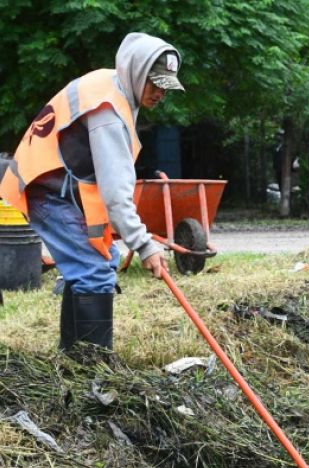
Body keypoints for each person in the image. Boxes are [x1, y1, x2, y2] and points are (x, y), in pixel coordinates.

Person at [0, 33, 178, 355]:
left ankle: (72, 357)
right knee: (94, 273)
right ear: (138, 73)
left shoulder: (114, 84)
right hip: (44, 187)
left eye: (166, 87)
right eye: (155, 84)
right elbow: (115, 193)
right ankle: (93, 371)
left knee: (101, 261)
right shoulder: (107, 110)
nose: (161, 93)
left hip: (57, 187)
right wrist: (144, 245)